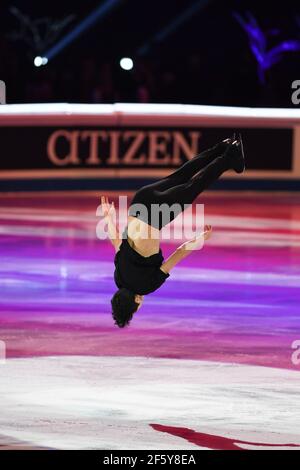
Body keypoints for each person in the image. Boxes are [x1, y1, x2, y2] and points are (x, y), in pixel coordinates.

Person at [101, 135, 245, 328]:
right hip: (139, 203)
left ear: (135, 303)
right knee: (181, 175)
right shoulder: (119, 277)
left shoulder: (146, 286)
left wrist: (199, 239)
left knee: (195, 185)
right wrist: (108, 216)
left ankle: (231, 155)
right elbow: (116, 241)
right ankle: (222, 146)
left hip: (155, 215)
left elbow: (179, 254)